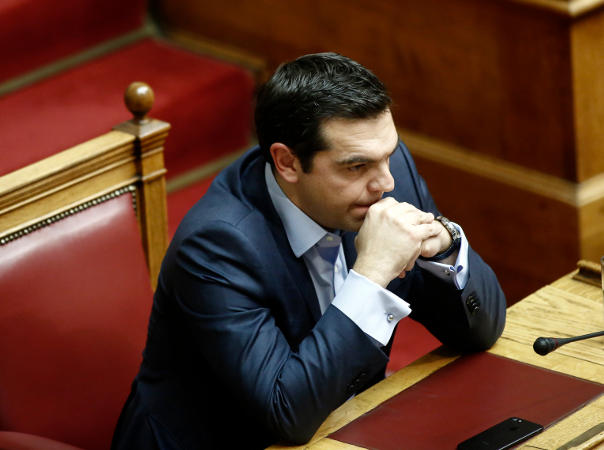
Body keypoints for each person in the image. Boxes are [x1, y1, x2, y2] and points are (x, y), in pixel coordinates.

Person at [112, 52, 506, 450]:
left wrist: (445, 247)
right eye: (355, 167)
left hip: (348, 424)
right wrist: (371, 275)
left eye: (388, 154)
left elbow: (481, 332)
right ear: (287, 163)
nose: (385, 183)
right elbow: (287, 415)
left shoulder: (384, 175)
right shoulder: (217, 247)